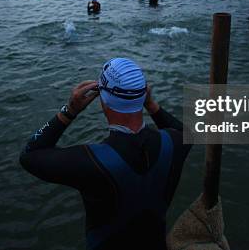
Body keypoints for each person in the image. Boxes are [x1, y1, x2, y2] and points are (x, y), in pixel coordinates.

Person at [20, 58, 191, 250]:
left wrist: (69, 111)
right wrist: (151, 104)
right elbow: (186, 133)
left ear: (103, 100)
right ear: (143, 96)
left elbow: (29, 154)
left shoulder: (91, 163)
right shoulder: (173, 143)